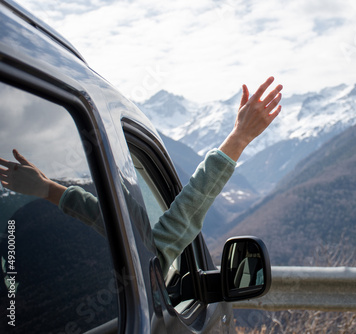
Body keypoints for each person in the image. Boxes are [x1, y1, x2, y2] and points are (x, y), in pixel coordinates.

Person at [0, 76, 283, 272]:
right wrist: (239, 138)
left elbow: (105, 219)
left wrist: (49, 189)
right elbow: (168, 229)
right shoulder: (132, 270)